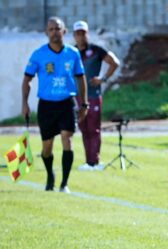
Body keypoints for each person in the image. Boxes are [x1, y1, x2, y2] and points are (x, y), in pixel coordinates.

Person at [21, 17, 87, 193]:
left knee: (67, 138)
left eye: (57, 29)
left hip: (67, 103)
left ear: (64, 31)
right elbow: (27, 80)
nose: (54, 32)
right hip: (46, 105)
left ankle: (64, 183)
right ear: (46, 33)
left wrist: (84, 104)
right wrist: (24, 103)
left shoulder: (73, 53)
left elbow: (81, 78)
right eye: (51, 29)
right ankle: (50, 175)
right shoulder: (39, 54)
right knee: (47, 147)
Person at [72, 20, 121, 170]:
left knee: (94, 128)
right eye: (78, 33)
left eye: (83, 33)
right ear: (74, 35)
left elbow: (114, 62)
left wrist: (103, 79)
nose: (81, 36)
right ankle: (88, 161)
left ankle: (95, 161)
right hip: (78, 97)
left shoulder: (96, 50)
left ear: (87, 34)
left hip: (93, 95)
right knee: (84, 129)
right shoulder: (72, 52)